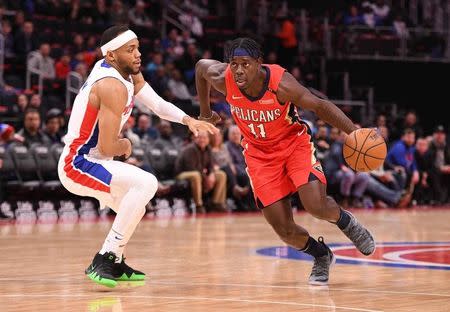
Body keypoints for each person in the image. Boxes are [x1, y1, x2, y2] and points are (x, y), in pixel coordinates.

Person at [194, 37, 375, 285]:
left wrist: (352, 131)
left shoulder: (281, 84)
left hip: (293, 146)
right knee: (284, 231)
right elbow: (201, 67)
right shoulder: (223, 77)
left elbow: (320, 106)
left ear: (259, 63)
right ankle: (321, 255)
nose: (238, 70)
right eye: (233, 64)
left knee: (315, 206)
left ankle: (347, 223)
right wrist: (204, 111)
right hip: (259, 156)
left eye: (245, 64)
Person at [57, 25, 217, 288]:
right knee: (146, 183)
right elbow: (109, 147)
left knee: (135, 206)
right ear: (111, 56)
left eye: (138, 47)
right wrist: (125, 144)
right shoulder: (111, 85)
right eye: (130, 50)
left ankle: (116, 259)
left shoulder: (126, 73)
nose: (138, 54)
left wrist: (188, 120)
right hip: (79, 163)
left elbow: (155, 104)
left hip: (97, 162)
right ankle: (105, 257)